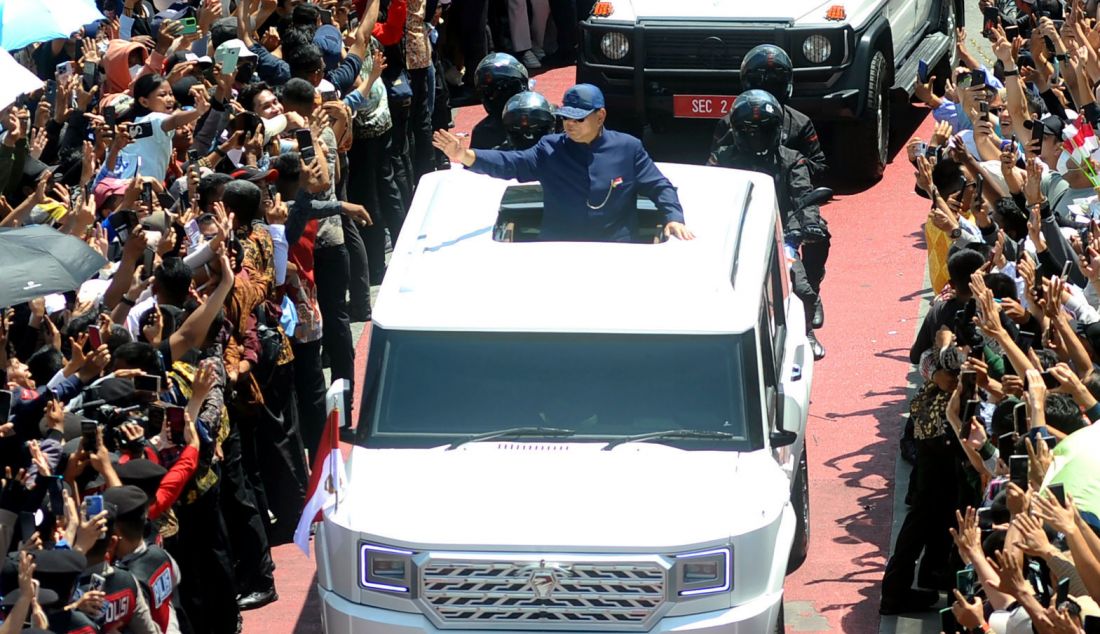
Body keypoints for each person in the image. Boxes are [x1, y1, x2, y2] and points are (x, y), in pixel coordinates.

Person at [433, 84, 695, 242]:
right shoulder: (550, 148)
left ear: (600, 116)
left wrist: (674, 217)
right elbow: (510, 163)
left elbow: (659, 185)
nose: (570, 125)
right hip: (558, 248)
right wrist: (466, 156)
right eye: (566, 118)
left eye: (579, 119)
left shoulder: (628, 148)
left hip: (617, 249)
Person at [709, 89, 829, 359]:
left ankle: (807, 329)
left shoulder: (793, 159)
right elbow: (710, 191)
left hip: (782, 233)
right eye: (748, 131)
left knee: (801, 287)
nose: (756, 137)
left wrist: (808, 226)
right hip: (735, 234)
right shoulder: (723, 159)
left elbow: (804, 195)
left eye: (763, 130)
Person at [709, 44, 827, 180]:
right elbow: (713, 170)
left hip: (785, 193)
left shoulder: (801, 123)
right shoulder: (729, 122)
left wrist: (792, 165)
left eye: (776, 81)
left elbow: (820, 168)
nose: (769, 85)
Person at [470, 53, 530, 150]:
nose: (495, 97)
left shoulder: (544, 117)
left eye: (505, 89)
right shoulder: (483, 131)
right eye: (490, 92)